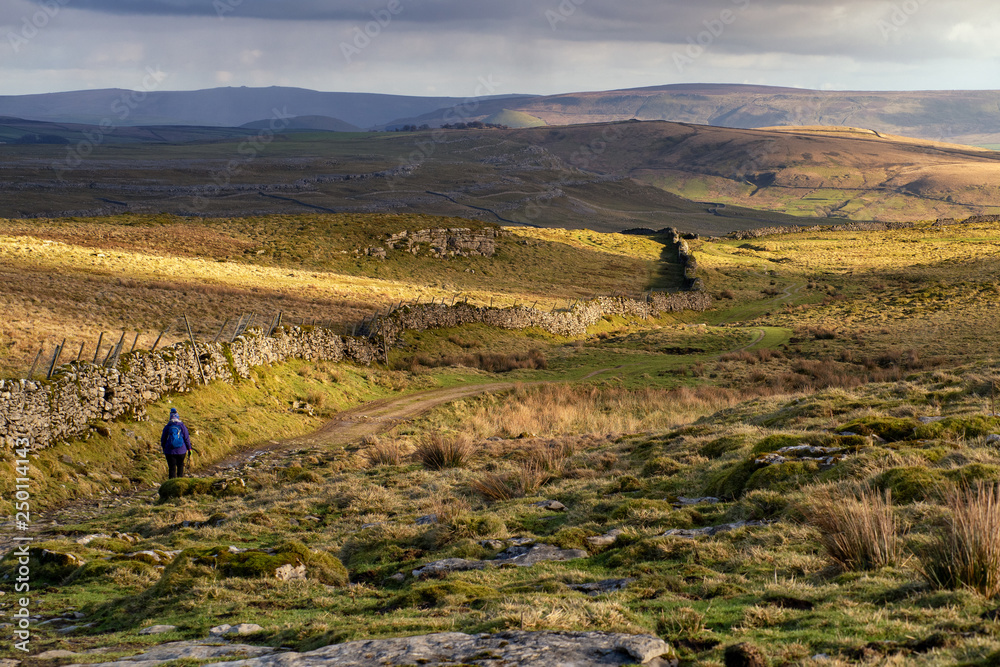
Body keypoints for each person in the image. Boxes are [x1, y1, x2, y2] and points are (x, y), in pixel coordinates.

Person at [160, 407, 192, 479]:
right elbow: (186, 438)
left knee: (172, 468)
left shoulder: (167, 427)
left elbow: (163, 439)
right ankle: (180, 484)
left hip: (169, 451)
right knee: (180, 466)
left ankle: (171, 485)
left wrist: (164, 448)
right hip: (181, 451)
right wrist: (189, 448)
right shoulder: (182, 426)